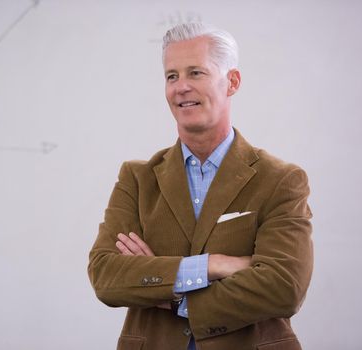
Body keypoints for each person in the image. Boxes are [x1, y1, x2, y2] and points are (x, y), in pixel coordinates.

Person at [88, 22, 313, 350]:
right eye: (172, 76)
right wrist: (212, 265)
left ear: (231, 82)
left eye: (195, 73)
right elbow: (107, 277)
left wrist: (175, 297)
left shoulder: (280, 180)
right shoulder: (137, 180)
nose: (181, 87)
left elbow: (283, 286)